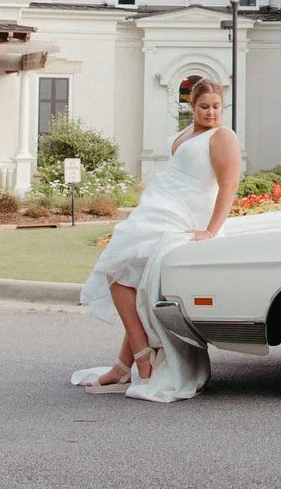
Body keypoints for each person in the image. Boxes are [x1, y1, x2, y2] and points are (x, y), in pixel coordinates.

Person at [70, 80, 240, 403]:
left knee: (118, 274)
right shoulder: (184, 136)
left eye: (217, 106)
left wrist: (211, 231)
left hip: (184, 217)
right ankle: (124, 365)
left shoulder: (223, 137)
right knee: (131, 280)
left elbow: (228, 186)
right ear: (192, 106)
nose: (212, 112)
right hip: (162, 206)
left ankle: (142, 359)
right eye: (205, 107)